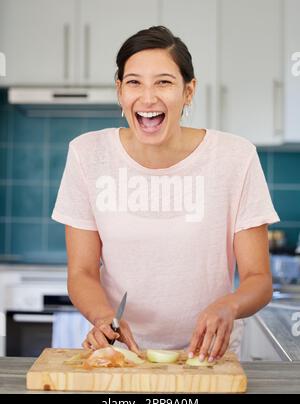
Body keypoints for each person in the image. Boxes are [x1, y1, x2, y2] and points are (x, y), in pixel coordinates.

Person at [52, 26, 280, 362]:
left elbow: (258, 279)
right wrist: (103, 317)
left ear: (188, 91)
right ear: (119, 91)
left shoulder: (235, 157)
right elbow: (82, 271)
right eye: (134, 82)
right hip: (121, 356)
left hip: (208, 357)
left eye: (163, 82)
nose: (147, 98)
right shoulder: (88, 154)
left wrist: (228, 305)